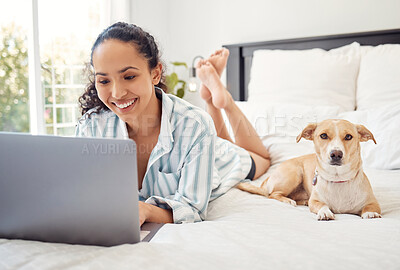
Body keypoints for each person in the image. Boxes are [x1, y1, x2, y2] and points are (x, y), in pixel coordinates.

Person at [76, 22, 270, 226]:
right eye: (104, 81)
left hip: (219, 159)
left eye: (129, 76)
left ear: (155, 73)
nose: (117, 93)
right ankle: (212, 98)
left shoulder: (194, 125)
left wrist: (148, 211)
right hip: (204, 143)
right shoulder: (90, 127)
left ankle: (224, 101)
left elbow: (193, 209)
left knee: (263, 159)